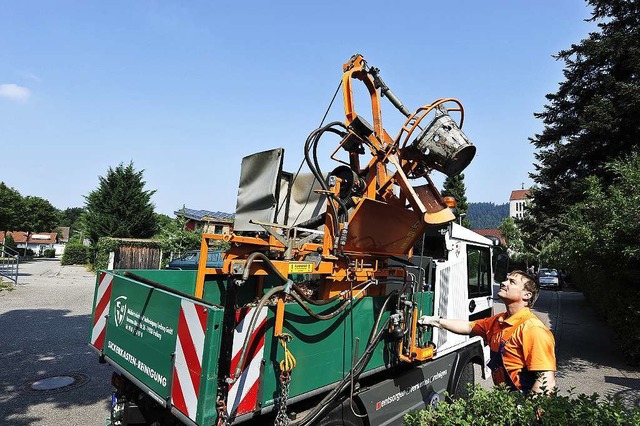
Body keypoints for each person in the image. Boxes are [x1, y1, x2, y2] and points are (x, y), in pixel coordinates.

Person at [419, 270, 556, 394]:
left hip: (523, 403)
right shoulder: (498, 321)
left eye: (512, 282)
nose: (503, 282)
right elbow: (468, 327)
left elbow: (546, 380)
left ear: (526, 295)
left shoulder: (533, 329)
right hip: (506, 401)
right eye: (506, 279)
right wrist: (435, 321)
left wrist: (529, 414)